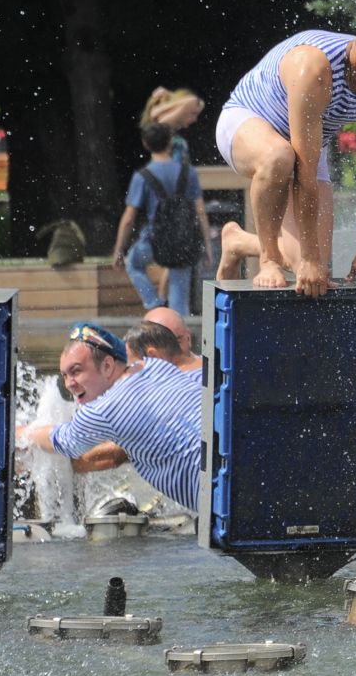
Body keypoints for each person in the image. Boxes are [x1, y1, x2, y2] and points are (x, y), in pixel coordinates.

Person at [214, 15, 356, 296]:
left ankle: (237, 241)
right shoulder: (313, 66)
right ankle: (268, 257)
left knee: (316, 271)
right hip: (247, 122)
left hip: (307, 141)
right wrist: (307, 258)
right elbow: (305, 171)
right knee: (279, 156)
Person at [16, 323, 202, 511]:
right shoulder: (153, 365)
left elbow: (64, 442)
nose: (69, 384)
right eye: (64, 375)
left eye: (77, 371)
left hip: (218, 497)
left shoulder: (103, 409)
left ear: (107, 366)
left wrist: (24, 434)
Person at [110, 122, 212, 316]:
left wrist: (118, 250)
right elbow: (200, 211)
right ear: (170, 143)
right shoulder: (187, 172)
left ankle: (155, 305)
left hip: (153, 242)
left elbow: (129, 218)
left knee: (133, 263)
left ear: (145, 144)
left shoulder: (142, 176)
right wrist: (206, 246)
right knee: (179, 302)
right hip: (183, 242)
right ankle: (178, 333)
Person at [141, 305, 204, 375]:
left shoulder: (210, 373)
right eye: (164, 344)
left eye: (177, 342)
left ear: (188, 339)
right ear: (150, 352)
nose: (173, 350)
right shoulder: (137, 376)